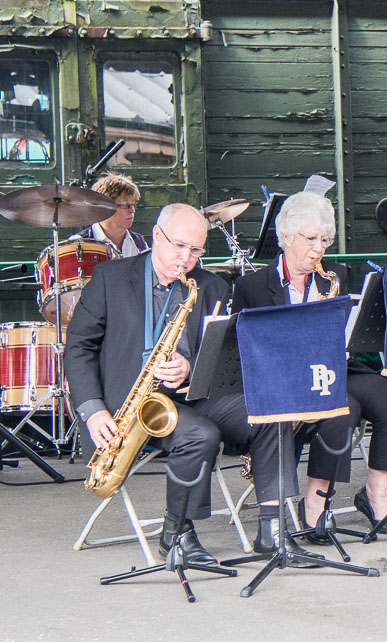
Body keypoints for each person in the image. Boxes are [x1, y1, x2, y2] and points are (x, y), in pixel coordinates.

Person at [65, 203, 322, 566]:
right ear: (156, 236)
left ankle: (273, 531)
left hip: (192, 395)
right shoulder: (110, 277)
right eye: (178, 247)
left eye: (196, 250)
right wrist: (93, 411)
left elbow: (222, 356)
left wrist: (189, 366)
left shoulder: (212, 285)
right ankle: (177, 532)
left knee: (271, 410)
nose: (186, 259)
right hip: (126, 407)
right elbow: (78, 348)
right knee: (200, 435)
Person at [232, 191, 387, 538]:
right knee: (342, 409)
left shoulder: (334, 275)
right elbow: (245, 351)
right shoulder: (252, 287)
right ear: (285, 237)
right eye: (311, 239)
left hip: (335, 365)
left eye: (325, 240)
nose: (319, 250)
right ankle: (316, 506)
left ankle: (376, 497)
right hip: (288, 379)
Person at [73, 172, 148, 257]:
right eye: (126, 205)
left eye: (133, 205)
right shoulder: (79, 244)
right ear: (105, 208)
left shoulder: (139, 242)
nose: (132, 210)